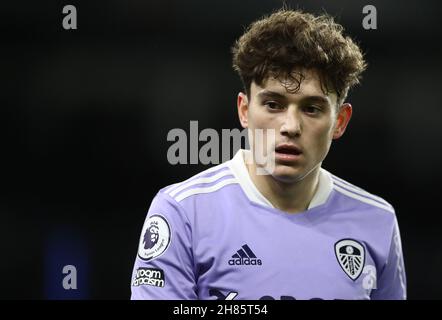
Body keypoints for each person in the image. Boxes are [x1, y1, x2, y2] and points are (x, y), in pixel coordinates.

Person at [130, 8, 406, 300]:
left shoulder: (377, 220)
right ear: (245, 111)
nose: (290, 126)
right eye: (273, 105)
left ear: (339, 121)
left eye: (311, 108)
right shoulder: (183, 213)